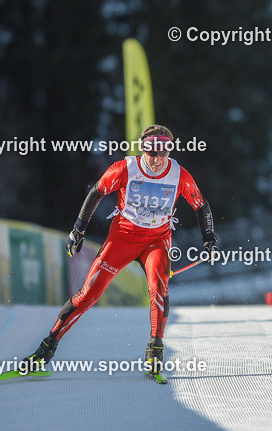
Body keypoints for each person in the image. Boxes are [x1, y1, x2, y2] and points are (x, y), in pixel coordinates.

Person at [21, 124, 217, 377]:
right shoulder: (126, 168)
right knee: (88, 295)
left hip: (156, 241)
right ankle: (46, 348)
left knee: (159, 289)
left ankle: (155, 351)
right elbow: (97, 192)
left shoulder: (180, 175)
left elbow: (201, 206)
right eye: (151, 153)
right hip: (122, 238)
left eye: (163, 153)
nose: (157, 160)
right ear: (142, 149)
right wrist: (78, 230)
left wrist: (209, 238)